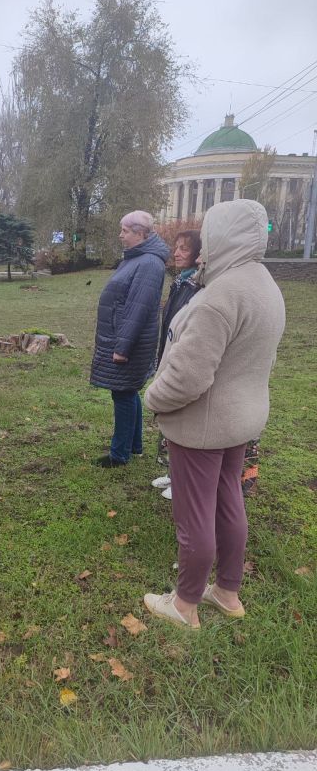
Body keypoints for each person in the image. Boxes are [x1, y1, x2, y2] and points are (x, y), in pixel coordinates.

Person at [143, 199, 285, 628]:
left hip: (202, 425)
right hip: (241, 418)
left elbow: (187, 377)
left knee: (194, 515)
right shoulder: (264, 284)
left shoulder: (219, 297)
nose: (202, 245)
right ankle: (226, 591)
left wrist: (152, 398)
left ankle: (184, 605)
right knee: (228, 502)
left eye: (209, 233)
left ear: (223, 235)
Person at [90, 210, 170, 467]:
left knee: (122, 394)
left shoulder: (148, 263)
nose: (120, 235)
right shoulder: (138, 259)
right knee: (127, 391)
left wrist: (122, 348)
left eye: (125, 230)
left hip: (128, 342)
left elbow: (138, 309)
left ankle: (119, 454)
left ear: (141, 233)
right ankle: (134, 446)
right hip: (122, 337)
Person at [151, 230, 202, 499]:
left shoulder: (197, 285)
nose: (177, 252)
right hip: (167, 355)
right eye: (176, 247)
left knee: (181, 421)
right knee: (168, 420)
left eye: (184, 248)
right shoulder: (179, 282)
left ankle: (181, 481)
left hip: (181, 360)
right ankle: (171, 472)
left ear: (198, 254)